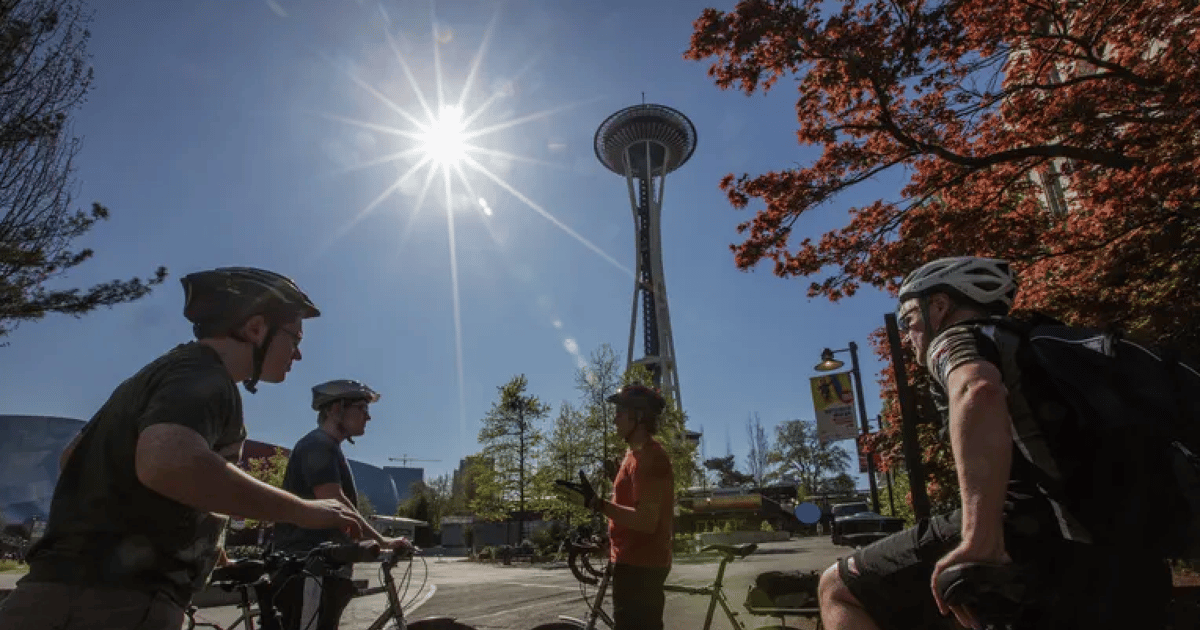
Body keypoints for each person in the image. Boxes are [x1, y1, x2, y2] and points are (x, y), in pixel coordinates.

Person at [817, 256, 1172, 630]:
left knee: (839, 587)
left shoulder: (958, 337)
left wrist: (978, 538)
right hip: (1131, 561)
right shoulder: (1040, 349)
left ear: (938, 306)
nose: (908, 335)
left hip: (1030, 538)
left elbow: (977, 389)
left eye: (909, 320)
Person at [0, 267, 366, 630]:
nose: (298, 354)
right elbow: (168, 464)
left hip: (51, 590)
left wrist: (209, 551)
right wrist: (303, 511)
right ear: (256, 329)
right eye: (294, 338)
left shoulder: (157, 374)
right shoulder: (209, 379)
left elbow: (72, 460)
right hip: (119, 602)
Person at [271, 379, 414, 630]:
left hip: (324, 569)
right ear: (336, 408)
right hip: (308, 567)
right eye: (362, 408)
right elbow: (335, 502)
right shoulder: (318, 445)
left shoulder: (329, 448)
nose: (368, 417)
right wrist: (382, 541)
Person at [556, 384, 675, 630]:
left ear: (639, 416)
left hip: (641, 569)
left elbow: (646, 521)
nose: (614, 418)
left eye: (620, 412)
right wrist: (609, 542)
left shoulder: (651, 458)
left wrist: (599, 504)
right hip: (631, 564)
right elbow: (630, 509)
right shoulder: (632, 456)